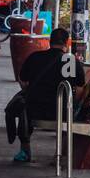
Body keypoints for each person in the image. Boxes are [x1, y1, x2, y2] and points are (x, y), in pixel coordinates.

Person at [5, 27, 84, 163]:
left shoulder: (35, 57)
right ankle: (59, 155)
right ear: (67, 43)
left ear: (49, 41)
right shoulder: (70, 61)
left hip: (34, 111)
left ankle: (25, 151)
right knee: (71, 114)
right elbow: (79, 88)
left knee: (26, 106)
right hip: (61, 112)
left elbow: (22, 80)